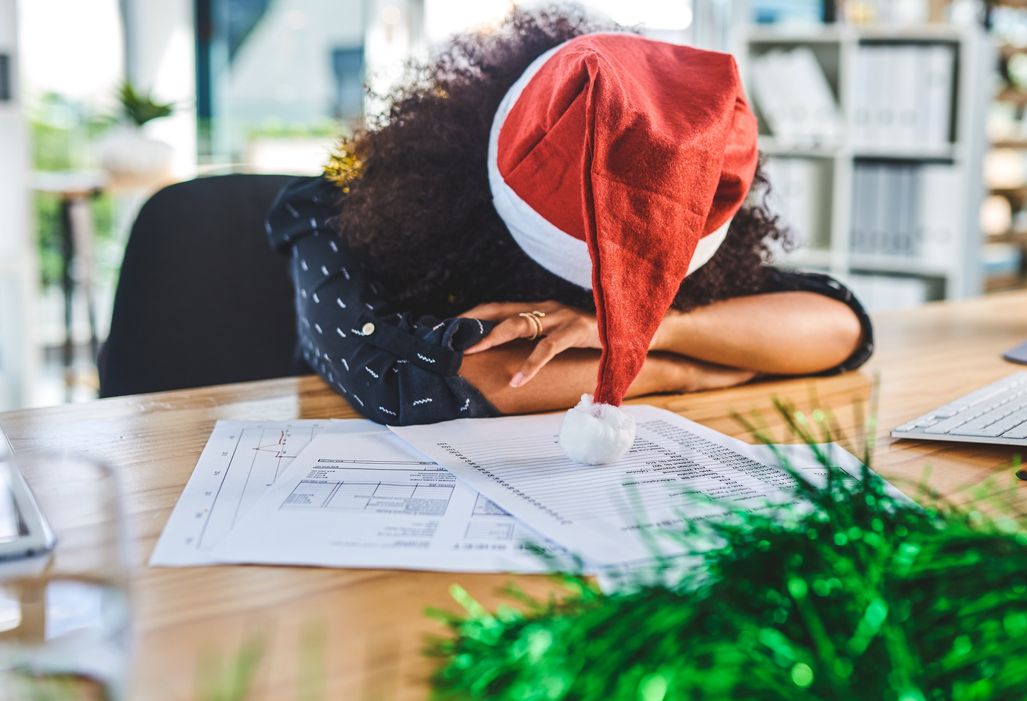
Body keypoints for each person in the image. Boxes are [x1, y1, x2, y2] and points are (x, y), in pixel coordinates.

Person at [266, 6, 873, 457]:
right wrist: (683, 368)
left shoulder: (690, 204)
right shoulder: (342, 206)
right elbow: (401, 383)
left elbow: (839, 326)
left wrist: (639, 331)